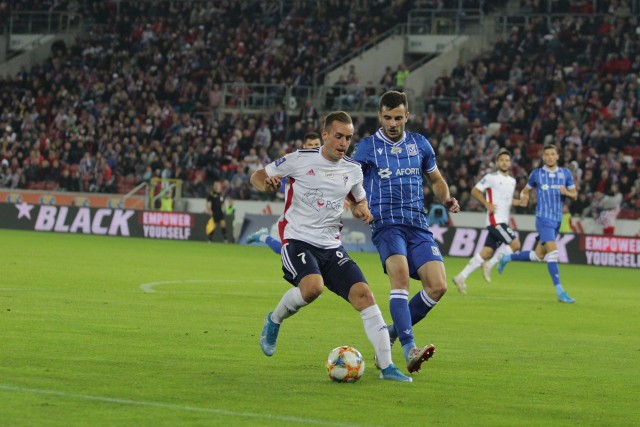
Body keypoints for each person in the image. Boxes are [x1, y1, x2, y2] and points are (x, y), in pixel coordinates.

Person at [250, 111, 412, 382]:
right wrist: (266, 186)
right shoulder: (300, 159)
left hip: (331, 245)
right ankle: (274, 320)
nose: (343, 142)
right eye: (338, 136)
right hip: (297, 238)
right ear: (325, 135)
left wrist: (362, 210)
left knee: (365, 295)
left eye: (348, 138)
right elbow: (258, 175)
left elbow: (359, 200)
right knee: (313, 288)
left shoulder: (352, 169)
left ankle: (387, 367)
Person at [351, 91, 460, 373]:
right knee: (400, 281)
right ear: (380, 116)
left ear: (406, 116)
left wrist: (445, 198)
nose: (392, 123)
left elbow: (436, 180)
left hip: (418, 224)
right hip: (386, 224)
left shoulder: (420, 144)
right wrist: (357, 205)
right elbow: (347, 182)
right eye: (387, 117)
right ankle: (409, 348)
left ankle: (390, 333)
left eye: (398, 117)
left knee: (438, 286)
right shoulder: (367, 147)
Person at [498, 144, 578, 303]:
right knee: (554, 253)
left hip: (557, 220)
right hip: (543, 219)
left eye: (552, 154)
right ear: (543, 157)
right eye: (546, 154)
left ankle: (507, 257)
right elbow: (525, 190)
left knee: (538, 256)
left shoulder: (565, 173)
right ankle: (560, 291)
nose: (549, 157)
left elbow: (574, 194)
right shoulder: (537, 174)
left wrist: (566, 193)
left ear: (557, 156)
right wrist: (525, 197)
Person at [452, 148, 525, 293]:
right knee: (515, 244)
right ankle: (489, 265)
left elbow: (506, 200)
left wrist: (518, 202)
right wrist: (486, 204)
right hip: (495, 220)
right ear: (497, 162)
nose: (504, 162)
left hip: (503, 220)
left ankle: (461, 277)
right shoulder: (491, 177)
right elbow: (474, 190)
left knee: (486, 252)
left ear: (510, 163)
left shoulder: (512, 181)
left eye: (507, 160)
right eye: (502, 160)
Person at [246, 132, 322, 254]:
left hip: (314, 219)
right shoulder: (293, 161)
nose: (313, 147)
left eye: (316, 144)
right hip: (293, 218)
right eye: (310, 144)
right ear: (304, 146)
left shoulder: (329, 165)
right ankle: (263, 236)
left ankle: (263, 236)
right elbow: (264, 175)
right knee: (285, 250)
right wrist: (267, 186)